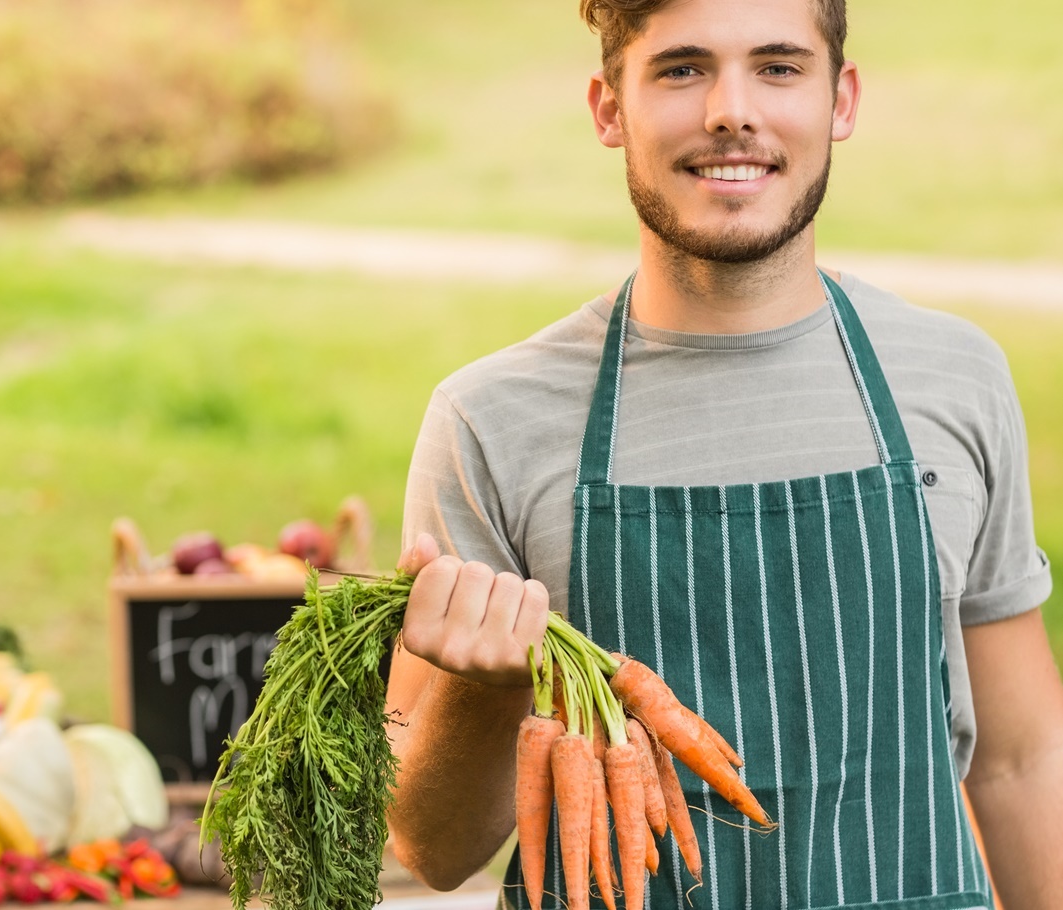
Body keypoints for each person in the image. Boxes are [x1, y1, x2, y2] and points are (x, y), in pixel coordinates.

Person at [384, 0, 1063, 907]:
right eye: (680, 69)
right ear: (608, 109)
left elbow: (1021, 764)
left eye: (778, 67)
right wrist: (483, 688)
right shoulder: (490, 422)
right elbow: (430, 849)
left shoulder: (952, 378)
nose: (729, 111)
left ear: (841, 102)